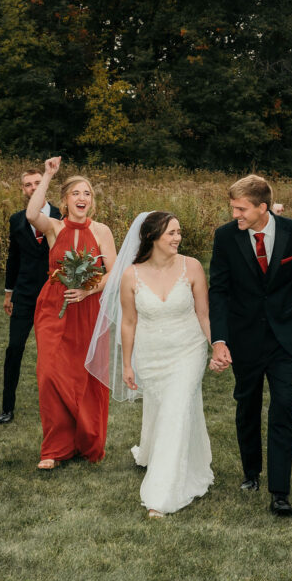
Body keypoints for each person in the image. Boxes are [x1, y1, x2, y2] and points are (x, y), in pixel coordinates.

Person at [208, 174, 292, 517]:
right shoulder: (226, 237)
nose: (235, 215)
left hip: (286, 337)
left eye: (241, 209)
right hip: (245, 338)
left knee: (283, 406)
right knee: (247, 406)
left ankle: (280, 491)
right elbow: (219, 291)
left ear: (262, 207)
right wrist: (219, 339)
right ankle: (250, 471)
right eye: (233, 208)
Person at [100, 212, 214, 518]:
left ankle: (161, 495)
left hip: (188, 350)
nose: (178, 238)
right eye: (171, 233)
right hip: (151, 355)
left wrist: (216, 346)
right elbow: (128, 322)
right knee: (164, 409)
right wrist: (127, 364)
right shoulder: (130, 275)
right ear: (152, 237)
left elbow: (204, 314)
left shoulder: (192, 267)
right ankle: (160, 453)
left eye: (179, 232)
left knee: (176, 408)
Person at [28, 157, 117, 470]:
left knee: (85, 376)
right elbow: (30, 213)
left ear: (91, 202)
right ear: (65, 200)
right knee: (49, 374)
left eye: (87, 194)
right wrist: (48, 176)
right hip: (55, 307)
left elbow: (113, 273)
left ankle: (84, 441)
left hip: (89, 310)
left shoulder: (102, 231)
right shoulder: (54, 226)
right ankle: (54, 448)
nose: (82, 198)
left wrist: (90, 290)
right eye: (76, 193)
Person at [0, 169, 60, 425]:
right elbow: (14, 258)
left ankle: (58, 406)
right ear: (22, 190)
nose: (33, 188)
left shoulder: (61, 216)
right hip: (23, 293)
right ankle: (7, 407)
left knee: (53, 352)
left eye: (37, 183)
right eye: (28, 185)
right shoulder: (16, 220)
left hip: (54, 293)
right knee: (15, 347)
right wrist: (8, 292)